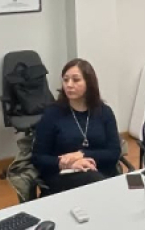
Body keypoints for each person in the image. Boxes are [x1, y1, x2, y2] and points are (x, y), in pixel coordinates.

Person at [32, 59, 121, 193]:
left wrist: (82, 154)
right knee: (94, 181)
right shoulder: (52, 114)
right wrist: (69, 163)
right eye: (65, 80)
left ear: (89, 83)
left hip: (102, 172)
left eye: (76, 80)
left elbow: (114, 152)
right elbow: (38, 158)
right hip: (64, 175)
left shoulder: (104, 112)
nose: (69, 85)